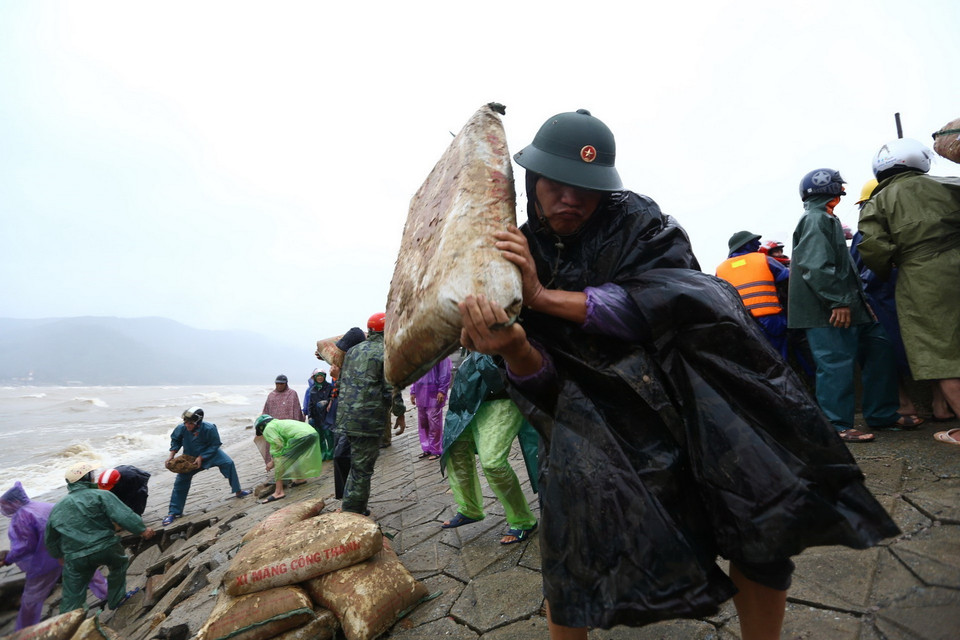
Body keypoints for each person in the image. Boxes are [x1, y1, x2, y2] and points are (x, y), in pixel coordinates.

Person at [456, 109, 900, 640]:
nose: (570, 198)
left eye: (585, 187)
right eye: (556, 183)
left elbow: (679, 300)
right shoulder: (513, 253)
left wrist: (545, 298)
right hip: (589, 419)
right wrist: (514, 348)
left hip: (688, 399)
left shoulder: (639, 223)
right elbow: (546, 384)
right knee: (572, 556)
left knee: (760, 522)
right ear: (532, 181)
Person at [788, 168, 922, 443]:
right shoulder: (816, 219)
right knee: (835, 363)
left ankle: (882, 414)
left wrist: (860, 303)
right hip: (826, 310)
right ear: (833, 192)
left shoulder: (828, 219)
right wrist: (837, 301)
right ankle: (837, 425)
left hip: (853, 306)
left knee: (880, 346)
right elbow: (816, 266)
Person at [857, 138, 960, 422]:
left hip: (920, 278)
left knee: (940, 355)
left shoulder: (878, 201)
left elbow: (873, 250)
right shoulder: (950, 184)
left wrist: (888, 266)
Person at [439, 350, 539, 545]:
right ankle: (470, 509)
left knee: (493, 461)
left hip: (503, 395)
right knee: (456, 448)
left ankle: (523, 520)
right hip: (468, 394)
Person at [45, 462, 155, 613]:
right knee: (119, 564)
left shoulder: (58, 507)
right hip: (106, 547)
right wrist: (143, 530)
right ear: (89, 478)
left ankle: (69, 620)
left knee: (73, 591)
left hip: (75, 556)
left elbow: (50, 537)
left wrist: (58, 555)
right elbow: (124, 515)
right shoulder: (102, 495)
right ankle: (117, 599)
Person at [1, 481, 108, 630]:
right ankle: (110, 594)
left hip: (45, 561)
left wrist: (7, 559)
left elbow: (25, 546)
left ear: (14, 502)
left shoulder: (21, 518)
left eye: (4, 504)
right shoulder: (43, 505)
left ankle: (24, 630)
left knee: (32, 597)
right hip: (70, 548)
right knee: (90, 574)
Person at [335, 313, 406, 515]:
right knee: (362, 468)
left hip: (346, 419)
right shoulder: (386, 354)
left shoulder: (352, 351)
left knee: (356, 464)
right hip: (367, 421)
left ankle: (349, 504)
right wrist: (400, 414)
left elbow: (341, 383)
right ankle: (354, 511)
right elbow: (390, 389)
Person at [162, 407, 251, 526]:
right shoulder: (181, 428)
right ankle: (173, 512)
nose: (187, 425)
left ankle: (238, 491)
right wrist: (171, 456)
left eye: (190, 423)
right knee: (180, 482)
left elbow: (215, 444)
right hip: (190, 457)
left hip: (211, 454)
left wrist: (202, 457)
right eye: (185, 422)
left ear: (197, 422)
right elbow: (176, 440)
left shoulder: (210, 428)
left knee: (228, 463)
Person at [716, 230, 790, 359]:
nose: (758, 244)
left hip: (743, 323)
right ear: (747, 244)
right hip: (772, 319)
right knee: (782, 356)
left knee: (760, 360)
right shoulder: (763, 259)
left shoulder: (720, 269)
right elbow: (788, 279)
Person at [329, 328, 365, 500]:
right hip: (344, 416)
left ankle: (353, 502)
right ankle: (344, 499)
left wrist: (338, 377)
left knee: (344, 456)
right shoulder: (348, 361)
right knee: (340, 455)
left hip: (357, 418)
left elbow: (356, 390)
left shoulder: (363, 362)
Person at [254, 414, 325, 503]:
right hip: (312, 433)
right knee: (292, 456)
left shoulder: (268, 428)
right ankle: (300, 478)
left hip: (302, 436)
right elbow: (285, 443)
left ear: (261, 427)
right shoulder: (278, 423)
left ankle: (279, 492)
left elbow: (278, 444)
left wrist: (272, 462)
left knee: (280, 460)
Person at [409, 357, 452, 461]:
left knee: (434, 422)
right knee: (423, 422)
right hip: (421, 392)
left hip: (434, 393)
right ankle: (426, 447)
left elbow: (445, 372)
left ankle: (436, 449)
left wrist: (442, 390)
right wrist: (413, 391)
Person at [305, 369, 335, 459]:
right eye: (318, 376)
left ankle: (331, 454)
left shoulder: (329, 387)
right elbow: (310, 404)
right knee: (320, 437)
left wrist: (327, 401)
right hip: (316, 416)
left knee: (329, 436)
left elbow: (333, 398)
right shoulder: (312, 389)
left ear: (324, 376)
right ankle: (322, 454)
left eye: (321, 376)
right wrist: (310, 417)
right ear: (314, 377)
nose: (320, 378)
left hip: (327, 416)